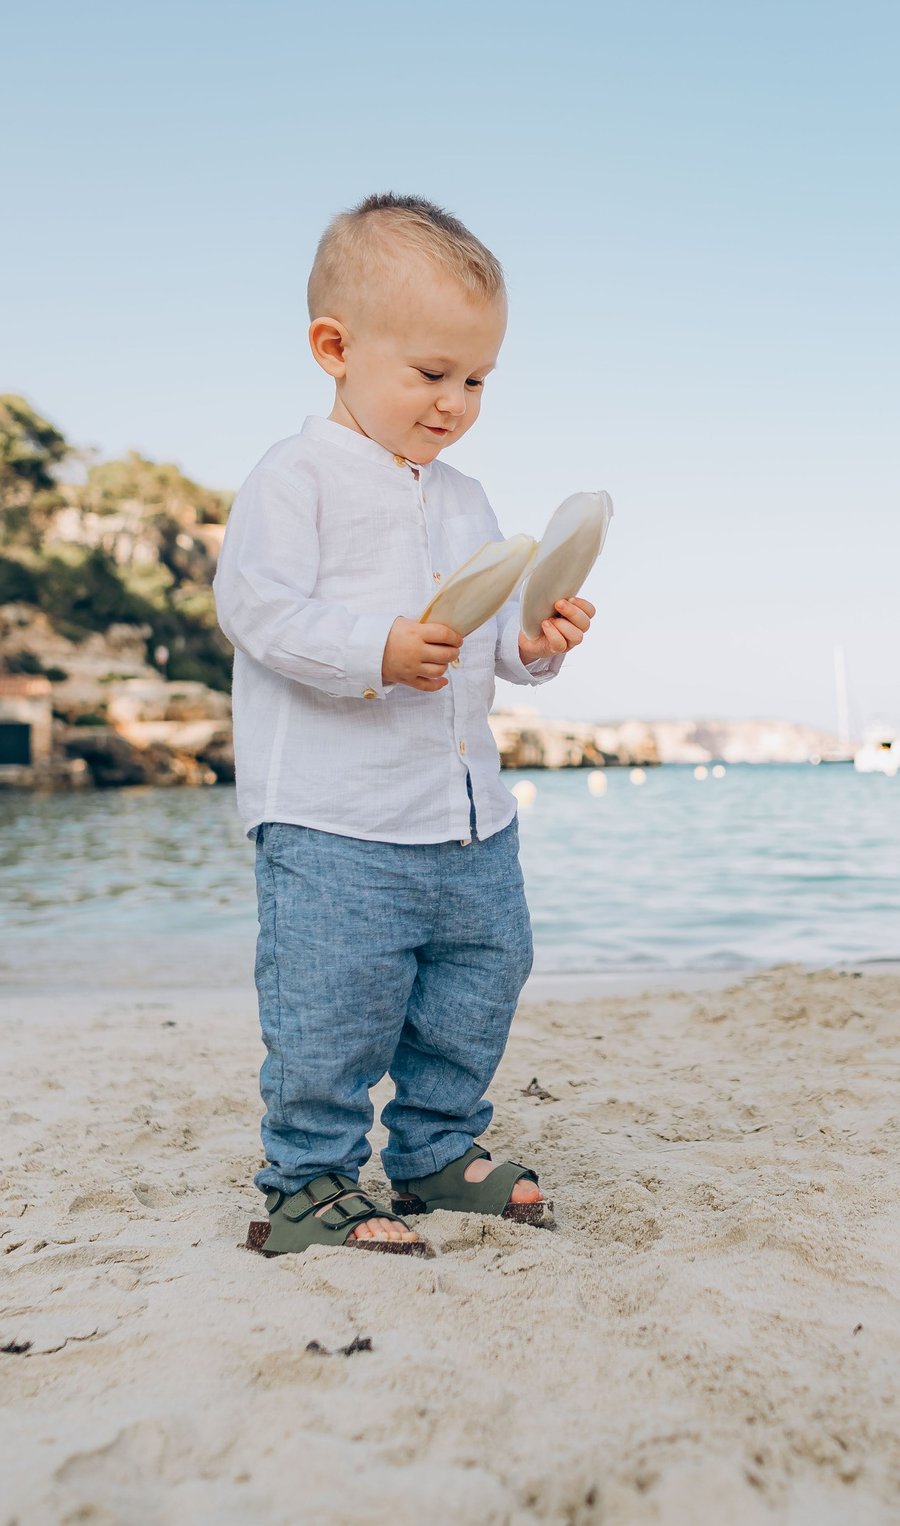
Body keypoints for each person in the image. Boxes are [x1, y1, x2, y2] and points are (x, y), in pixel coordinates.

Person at [211, 194, 597, 1256]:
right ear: (334, 350)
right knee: (331, 1005)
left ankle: (433, 1148)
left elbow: (488, 638)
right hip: (333, 816)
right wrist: (375, 650)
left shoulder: (464, 497)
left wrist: (537, 640)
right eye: (431, 373)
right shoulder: (294, 478)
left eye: (476, 380)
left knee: (481, 977)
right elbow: (256, 610)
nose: (454, 403)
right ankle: (309, 1179)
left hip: (467, 815)